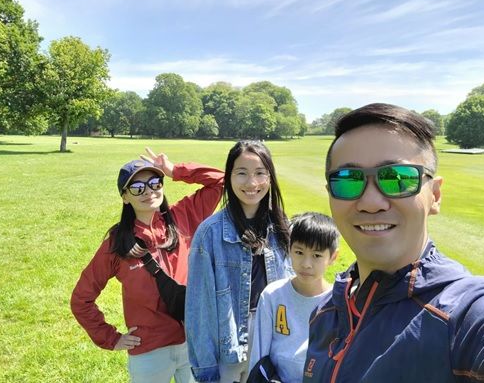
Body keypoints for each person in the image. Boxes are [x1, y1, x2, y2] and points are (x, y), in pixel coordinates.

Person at [303, 103, 484, 382]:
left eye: (397, 178)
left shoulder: (466, 314)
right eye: (349, 180)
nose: (371, 203)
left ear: (435, 195)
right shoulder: (325, 312)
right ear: (330, 194)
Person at [71, 149, 224, 383]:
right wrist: (111, 338)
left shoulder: (183, 216)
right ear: (125, 197)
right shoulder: (117, 243)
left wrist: (175, 171)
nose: (149, 191)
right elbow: (81, 299)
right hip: (149, 352)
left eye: (154, 182)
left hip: (194, 342)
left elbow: (221, 181)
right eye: (137, 188)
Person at [185, 140, 294, 383]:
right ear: (229, 176)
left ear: (270, 177)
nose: (252, 183)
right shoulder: (210, 233)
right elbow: (199, 310)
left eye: (259, 173)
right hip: (232, 346)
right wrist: (206, 371)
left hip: (275, 340)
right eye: (241, 173)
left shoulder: (281, 228)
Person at [248, 212, 339, 383]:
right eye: (299, 252)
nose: (306, 263)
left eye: (317, 255)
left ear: (333, 257)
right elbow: (258, 357)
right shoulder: (272, 295)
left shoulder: (337, 302)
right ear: (289, 249)